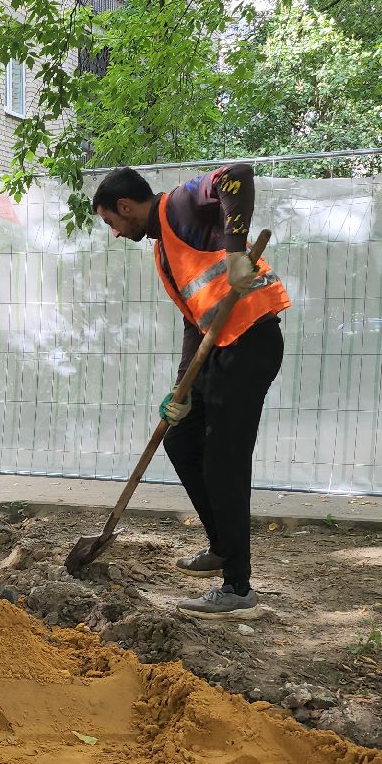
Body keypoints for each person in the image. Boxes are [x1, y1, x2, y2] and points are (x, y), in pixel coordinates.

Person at [91, 165, 290, 620]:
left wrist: (238, 253)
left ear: (125, 207)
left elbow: (237, 175)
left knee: (225, 461)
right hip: (218, 347)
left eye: (112, 223)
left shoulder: (179, 203)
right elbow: (194, 320)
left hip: (250, 342)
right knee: (179, 437)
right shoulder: (164, 251)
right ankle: (221, 546)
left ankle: (238, 586)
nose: (117, 234)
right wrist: (182, 386)